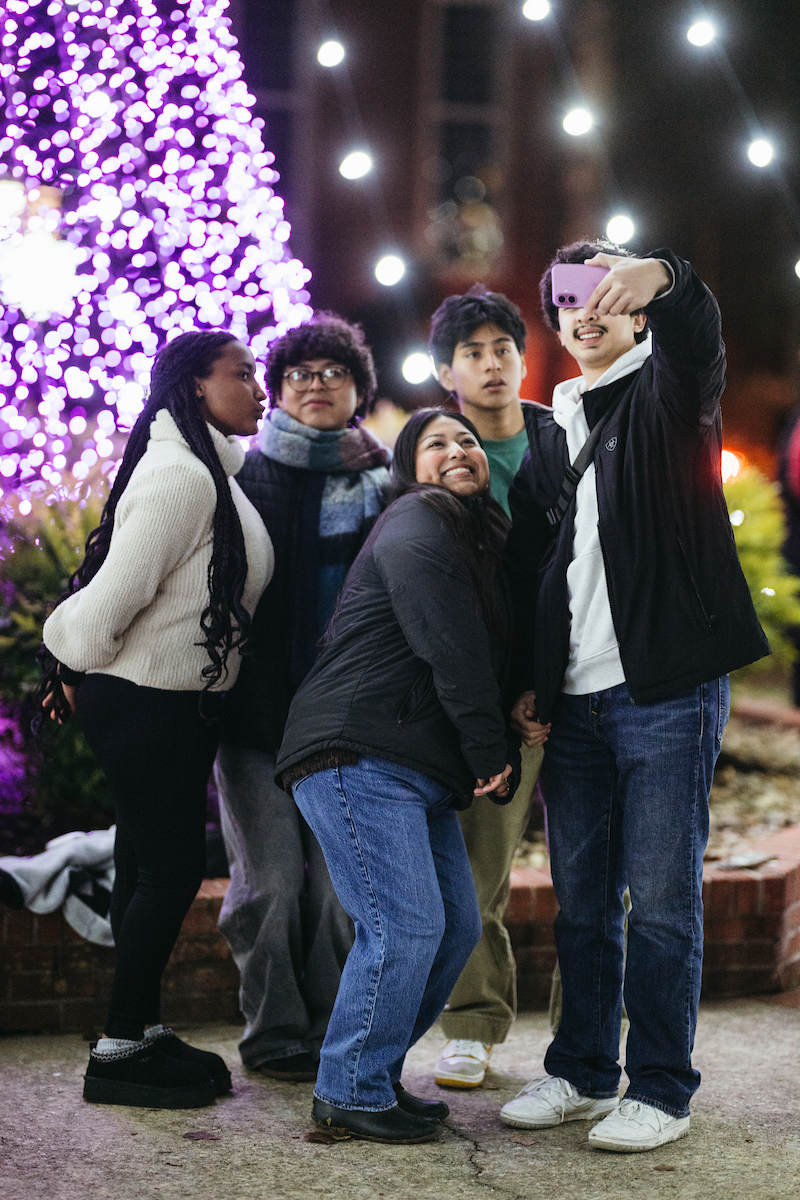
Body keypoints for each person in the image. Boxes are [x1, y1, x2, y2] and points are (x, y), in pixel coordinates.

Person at [499, 242, 769, 1151]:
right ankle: (582, 1071)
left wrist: (666, 274)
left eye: (603, 295)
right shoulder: (551, 433)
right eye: (567, 300)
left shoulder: (666, 397)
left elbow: (697, 335)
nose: (586, 313)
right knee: (581, 904)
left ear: (635, 310)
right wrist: (530, 680)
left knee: (659, 904)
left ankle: (661, 1088)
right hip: (574, 703)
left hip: (664, 692)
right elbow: (536, 572)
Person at [40, 331, 274, 1110]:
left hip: (173, 701)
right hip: (147, 701)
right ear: (196, 386)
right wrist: (65, 661)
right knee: (171, 872)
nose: (259, 387)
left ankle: (138, 1029)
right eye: (242, 373)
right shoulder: (181, 477)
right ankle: (117, 1049)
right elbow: (113, 596)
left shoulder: (210, 471)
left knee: (144, 865)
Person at [275, 408, 519, 1144]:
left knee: (453, 929)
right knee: (403, 927)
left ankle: (370, 1075)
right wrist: (490, 750)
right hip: (357, 750)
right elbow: (449, 641)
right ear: (408, 470)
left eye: (467, 440)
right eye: (435, 443)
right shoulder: (419, 518)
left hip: (412, 763)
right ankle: (347, 1088)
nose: (458, 449)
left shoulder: (474, 536)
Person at [215, 314, 390, 1080]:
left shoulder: (388, 484)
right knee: (274, 885)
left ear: (358, 389)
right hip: (254, 721)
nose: (317, 384)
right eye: (300, 373)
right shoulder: (240, 477)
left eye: (333, 372)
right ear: (278, 391)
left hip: (348, 727)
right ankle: (273, 1033)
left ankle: (331, 1034)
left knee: (340, 893)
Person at [427, 285, 548, 1089]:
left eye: (502, 347)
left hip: (585, 682)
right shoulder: (441, 454)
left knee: (599, 878)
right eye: (472, 352)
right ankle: (472, 1025)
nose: (491, 363)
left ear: (522, 358)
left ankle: (586, 1045)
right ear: (448, 371)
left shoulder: (565, 438)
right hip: (494, 699)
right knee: (478, 870)